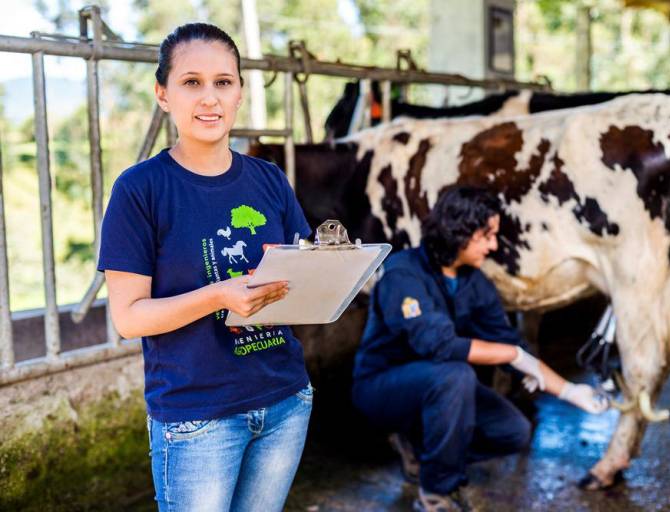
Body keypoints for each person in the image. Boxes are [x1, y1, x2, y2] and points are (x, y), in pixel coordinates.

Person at [98, 23, 313, 512]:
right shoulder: (140, 190)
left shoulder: (268, 178)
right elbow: (129, 318)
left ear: (240, 93)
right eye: (192, 82)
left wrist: (338, 267)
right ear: (163, 94)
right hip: (198, 418)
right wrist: (219, 295)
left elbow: (298, 271)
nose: (210, 98)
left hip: (284, 400)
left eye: (224, 82)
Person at [352, 186, 608, 512]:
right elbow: (439, 345)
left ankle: (424, 451)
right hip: (381, 387)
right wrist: (514, 358)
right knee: (456, 375)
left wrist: (570, 391)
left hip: (441, 389)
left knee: (514, 430)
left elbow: (510, 343)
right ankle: (435, 495)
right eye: (486, 235)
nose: (494, 245)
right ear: (458, 231)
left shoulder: (473, 281)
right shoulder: (403, 272)